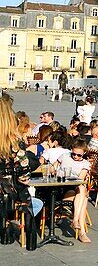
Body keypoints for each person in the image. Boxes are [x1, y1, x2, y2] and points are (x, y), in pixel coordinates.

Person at [0, 95, 44, 241]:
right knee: (34, 199)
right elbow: (24, 171)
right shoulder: (14, 143)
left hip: (4, 193)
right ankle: (29, 238)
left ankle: (6, 230)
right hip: (12, 193)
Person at [58, 138, 92, 242]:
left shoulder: (85, 164)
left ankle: (76, 221)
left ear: (84, 153)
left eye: (79, 155)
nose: (76, 157)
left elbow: (80, 179)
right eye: (74, 154)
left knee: (81, 189)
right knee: (83, 196)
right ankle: (81, 231)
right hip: (60, 187)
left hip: (73, 188)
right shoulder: (65, 156)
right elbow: (53, 167)